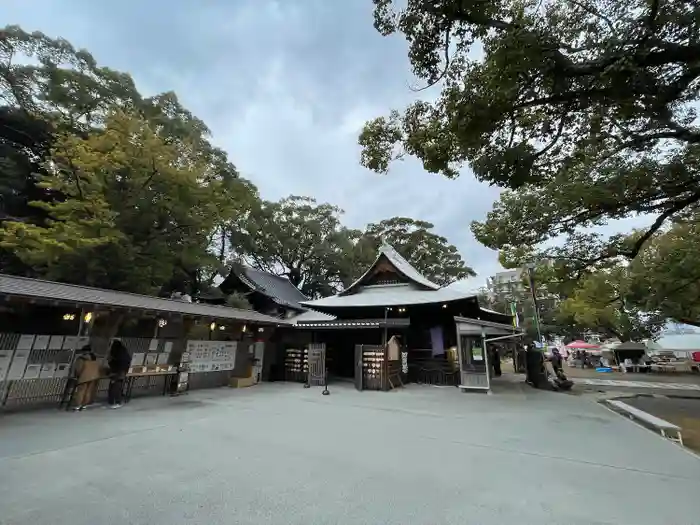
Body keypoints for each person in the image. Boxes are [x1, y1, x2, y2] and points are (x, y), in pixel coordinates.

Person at [72, 345, 101, 411]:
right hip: (93, 377)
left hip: (84, 377)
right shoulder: (94, 358)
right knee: (88, 391)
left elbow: (78, 369)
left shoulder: (81, 359)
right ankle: (84, 405)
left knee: (81, 391)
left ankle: (78, 405)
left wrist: (76, 375)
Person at [107, 339, 131, 408]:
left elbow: (112, 362)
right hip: (122, 371)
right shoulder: (123, 351)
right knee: (117, 386)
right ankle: (114, 401)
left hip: (118, 371)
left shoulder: (116, 353)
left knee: (115, 386)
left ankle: (116, 401)